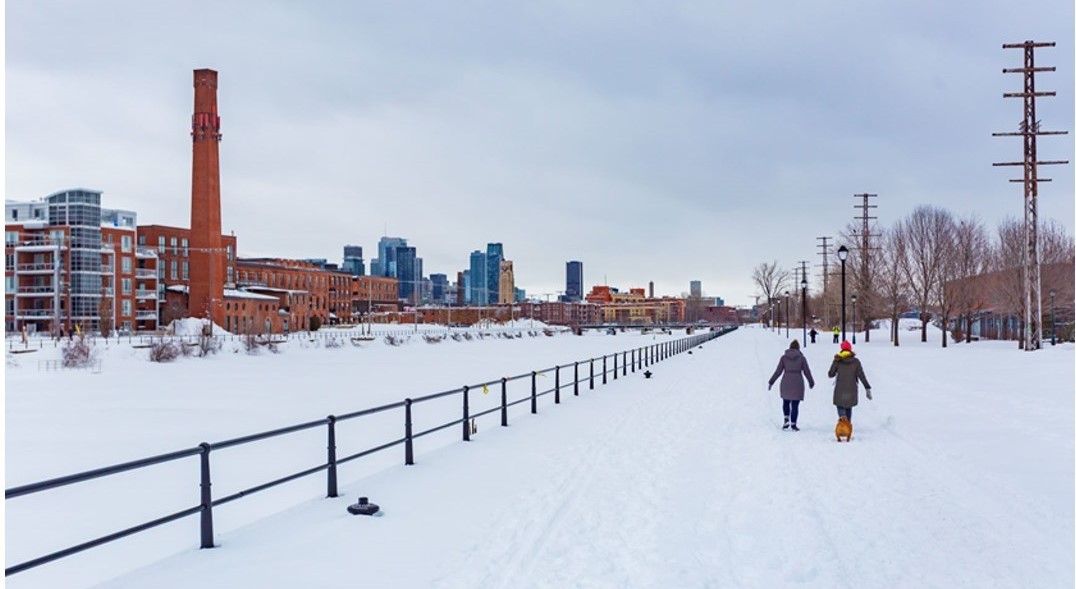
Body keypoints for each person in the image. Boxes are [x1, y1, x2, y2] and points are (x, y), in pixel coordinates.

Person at [767, 339, 815, 431]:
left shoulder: (784, 358)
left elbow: (778, 371)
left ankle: (786, 420)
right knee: (795, 405)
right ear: (798, 348)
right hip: (798, 383)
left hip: (786, 382)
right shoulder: (802, 358)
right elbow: (807, 371)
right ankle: (793, 423)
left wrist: (771, 382)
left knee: (785, 402)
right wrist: (811, 382)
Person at [828, 340, 872, 423]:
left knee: (840, 406)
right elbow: (861, 375)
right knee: (849, 406)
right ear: (850, 349)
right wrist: (867, 387)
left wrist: (835, 364)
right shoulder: (856, 362)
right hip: (851, 389)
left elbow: (830, 374)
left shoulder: (837, 360)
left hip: (840, 389)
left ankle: (843, 420)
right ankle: (848, 426)